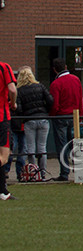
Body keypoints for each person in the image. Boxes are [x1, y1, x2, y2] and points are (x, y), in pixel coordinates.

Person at [49, 58, 83, 182]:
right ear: (66, 66)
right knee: (74, 144)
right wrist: (80, 115)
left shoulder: (55, 84)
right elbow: (79, 99)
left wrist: (52, 115)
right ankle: (79, 170)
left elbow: (55, 105)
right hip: (74, 116)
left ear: (54, 69)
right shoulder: (76, 80)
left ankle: (64, 172)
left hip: (61, 117)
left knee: (62, 145)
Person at [15, 66, 52, 181]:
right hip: (43, 119)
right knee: (42, 147)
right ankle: (42, 173)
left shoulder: (20, 90)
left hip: (29, 120)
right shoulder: (40, 86)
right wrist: (45, 111)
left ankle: (33, 173)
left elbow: (19, 109)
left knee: (30, 148)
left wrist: (24, 114)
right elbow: (50, 100)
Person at [0, 59, 16, 200]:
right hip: (1, 117)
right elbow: (12, 89)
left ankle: (2, 192)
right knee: (4, 157)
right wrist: (13, 102)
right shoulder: (4, 67)